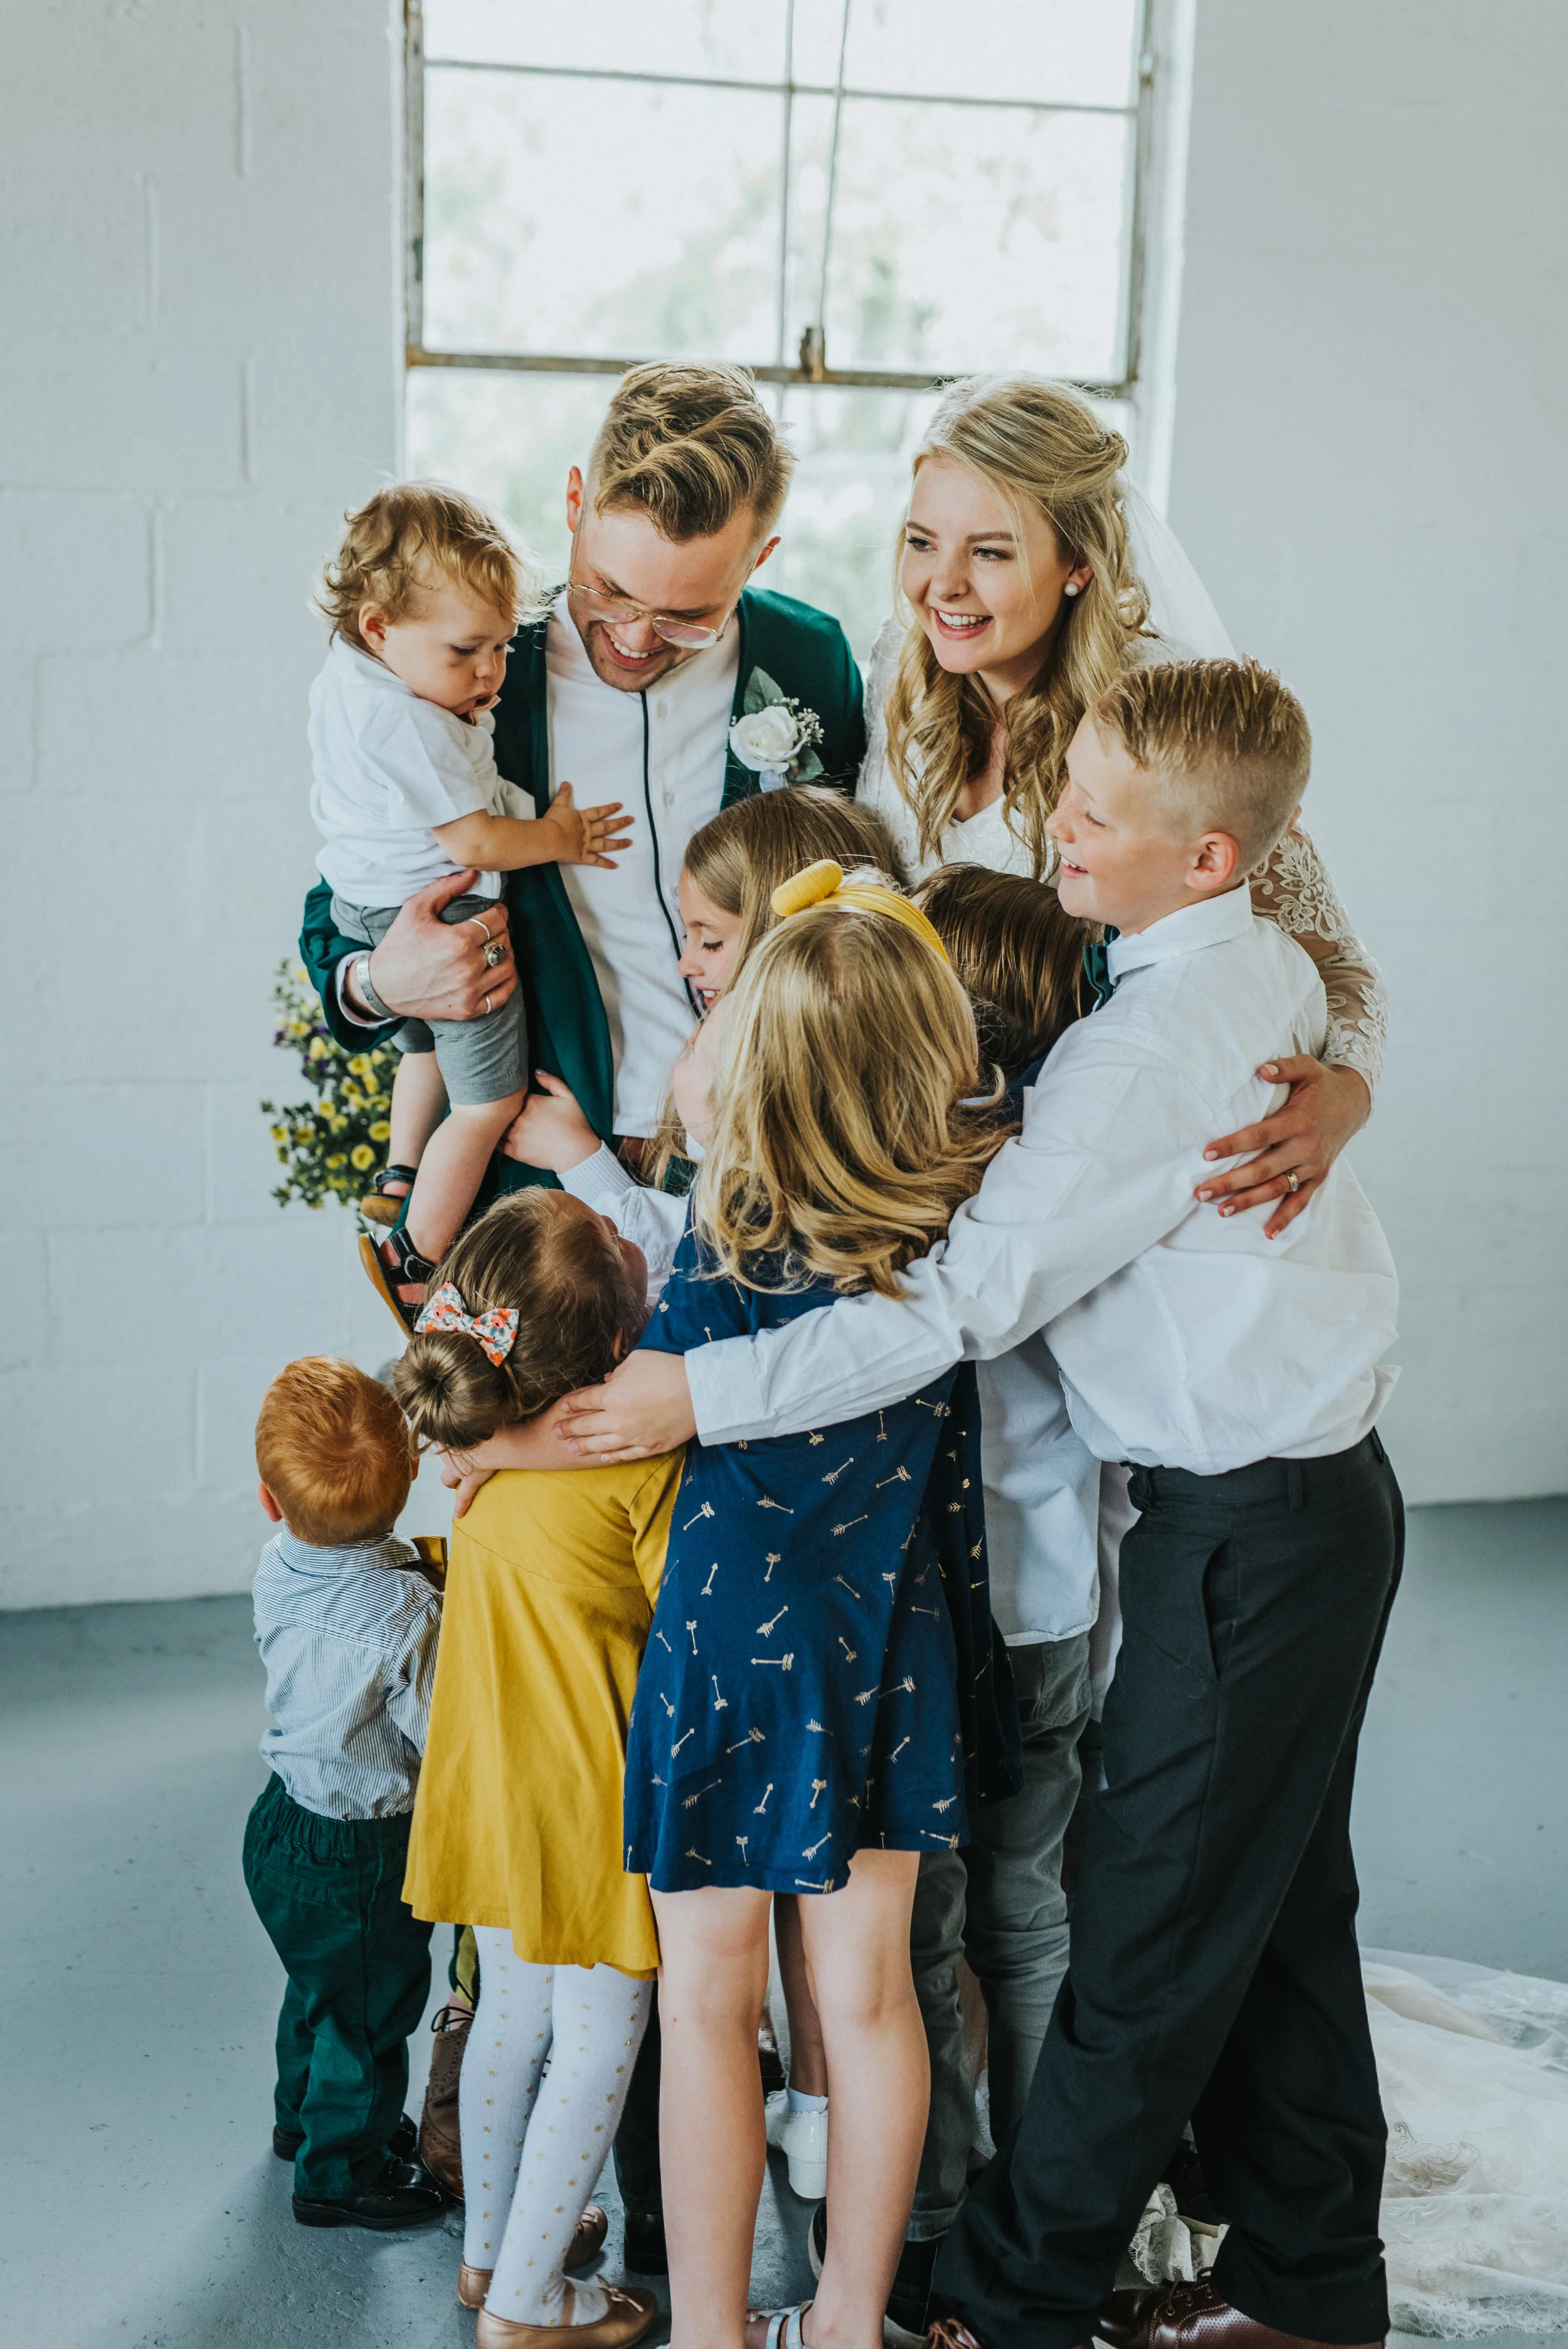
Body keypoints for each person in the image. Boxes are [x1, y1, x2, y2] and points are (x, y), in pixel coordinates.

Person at [556, 659, 1405, 2349]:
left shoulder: (1130, 1064)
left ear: (1211, 859)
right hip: (1302, 1508)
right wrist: (1348, 1082)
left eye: (1093, 817)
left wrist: (692, 1391)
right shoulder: (1255, 971)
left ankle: (1006, 2307)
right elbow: (1307, 1018)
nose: (1059, 829)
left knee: (1147, 1923)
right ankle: (1310, 2279)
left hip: (1247, 1524)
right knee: (1287, 1906)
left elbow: (943, 1315)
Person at [614, 868, 1022, 2349]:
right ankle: (849, 2322)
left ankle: (713, 2331)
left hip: (726, 1643)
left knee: (708, 2001)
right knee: (870, 2004)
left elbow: (643, 1410)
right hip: (881, 1654)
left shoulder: (723, 1232)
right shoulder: (949, 1242)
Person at [298, 363, 867, 1238]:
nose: (637, 640)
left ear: (760, 559)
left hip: (763, 1178)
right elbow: (353, 887)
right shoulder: (478, 668)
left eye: (688, 617)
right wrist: (378, 981)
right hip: (536, 1177)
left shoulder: (810, 663)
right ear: (574, 502)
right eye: (608, 590)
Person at [857, 373, 1386, 1238]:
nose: (941, 585)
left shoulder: (1159, 704)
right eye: (922, 542)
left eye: (990, 553)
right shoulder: (898, 668)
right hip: (903, 1160)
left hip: (1082, 1177)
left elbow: (1339, 961)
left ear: (1078, 564)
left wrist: (1347, 1095)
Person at [393, 1190, 674, 2349]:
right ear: (615, 1348)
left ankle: (488, 2258)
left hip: (489, 1780)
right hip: (586, 1789)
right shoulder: (637, 1469)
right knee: (604, 2036)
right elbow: (687, 1624)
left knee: (511, 2015)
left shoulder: (478, 1465)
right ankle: (530, 2306)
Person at [308, 484, 632, 1321]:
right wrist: (561, 835)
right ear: (379, 625)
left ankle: (399, 1176)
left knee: (424, 1057)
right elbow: (478, 843)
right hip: (441, 919)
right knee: (487, 1102)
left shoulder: (354, 675)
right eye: (466, 653)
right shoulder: (409, 721)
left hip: (376, 903)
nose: (490, 672)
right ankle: (413, 1258)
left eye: (501, 647)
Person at [241, 1357, 446, 2232]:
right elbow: (439, 1737)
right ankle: (341, 2171)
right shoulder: (409, 1612)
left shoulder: (276, 1562)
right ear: (411, 1479)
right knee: (370, 2015)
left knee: (318, 1991)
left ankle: (302, 2122)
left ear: (269, 1500)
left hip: (281, 1824)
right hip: (360, 1851)